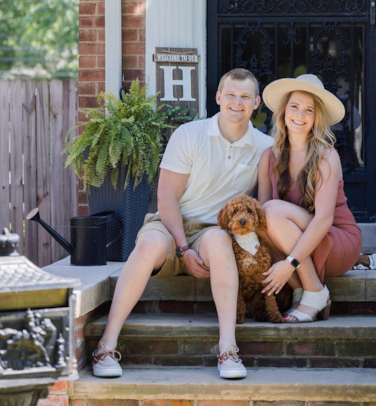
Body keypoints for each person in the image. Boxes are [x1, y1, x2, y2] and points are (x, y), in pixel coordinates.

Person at [92, 68, 273, 379]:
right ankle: (105, 346)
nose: (237, 102)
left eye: (245, 97)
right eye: (230, 94)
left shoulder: (264, 146)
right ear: (218, 97)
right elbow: (166, 199)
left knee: (218, 239)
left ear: (256, 102)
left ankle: (228, 350)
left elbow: (263, 207)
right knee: (147, 244)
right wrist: (183, 248)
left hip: (213, 231)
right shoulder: (189, 135)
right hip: (169, 225)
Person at [257, 74, 362, 323]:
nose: (300, 115)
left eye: (308, 110)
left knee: (271, 210)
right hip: (294, 240)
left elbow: (324, 219)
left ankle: (314, 291)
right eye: (294, 107)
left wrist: (289, 263)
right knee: (261, 220)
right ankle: (300, 290)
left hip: (335, 239)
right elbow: (262, 218)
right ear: (284, 111)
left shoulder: (327, 156)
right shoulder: (268, 157)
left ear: (316, 118)